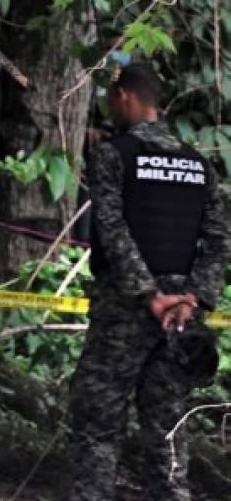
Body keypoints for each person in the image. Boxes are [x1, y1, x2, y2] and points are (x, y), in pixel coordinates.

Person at [68, 63, 229, 500]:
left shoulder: (113, 154)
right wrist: (193, 300)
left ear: (123, 96)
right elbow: (219, 240)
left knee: (98, 416)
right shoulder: (199, 164)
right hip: (181, 315)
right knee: (167, 419)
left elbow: (111, 228)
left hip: (127, 307)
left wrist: (149, 294)